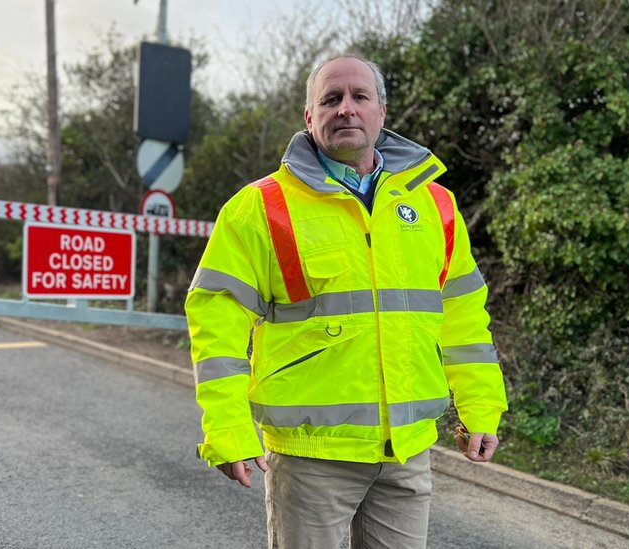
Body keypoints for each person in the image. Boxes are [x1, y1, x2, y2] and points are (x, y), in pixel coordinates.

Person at [184, 54, 508, 548]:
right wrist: (228, 427)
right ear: (309, 118)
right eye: (330, 99)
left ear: (382, 111)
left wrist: (481, 407)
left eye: (360, 97)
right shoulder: (262, 207)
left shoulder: (434, 205)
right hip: (312, 457)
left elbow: (463, 317)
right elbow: (217, 319)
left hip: (406, 453)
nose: (346, 109)